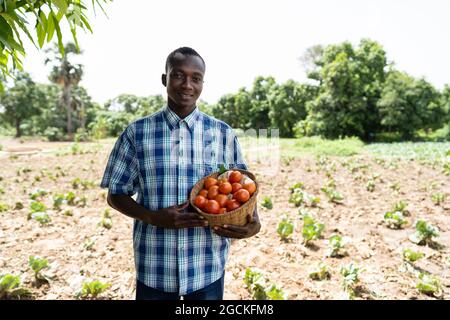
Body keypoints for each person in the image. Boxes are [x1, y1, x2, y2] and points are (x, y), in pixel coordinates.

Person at [100, 47, 261, 300]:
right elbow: (115, 195)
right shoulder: (137, 133)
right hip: (155, 267)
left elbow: (242, 187)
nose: (187, 84)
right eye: (178, 75)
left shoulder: (222, 134)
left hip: (206, 266)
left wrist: (254, 222)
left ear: (203, 84)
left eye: (196, 78)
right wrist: (152, 217)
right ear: (164, 79)